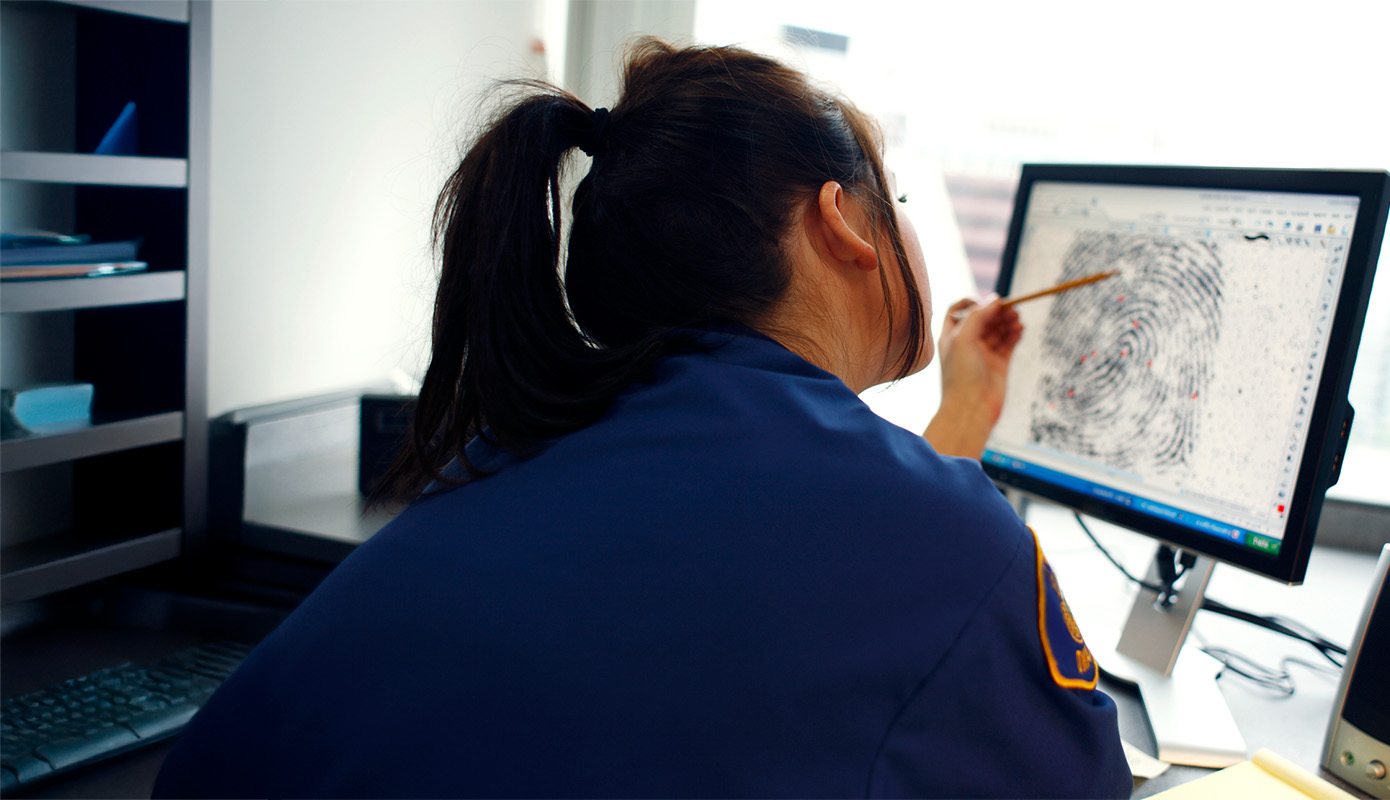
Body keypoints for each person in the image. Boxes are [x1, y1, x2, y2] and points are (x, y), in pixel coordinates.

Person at [153, 38, 1131, 798]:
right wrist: (956, 477)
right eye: (901, 196)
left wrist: (961, 421)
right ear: (836, 219)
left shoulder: (510, 456)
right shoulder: (943, 540)